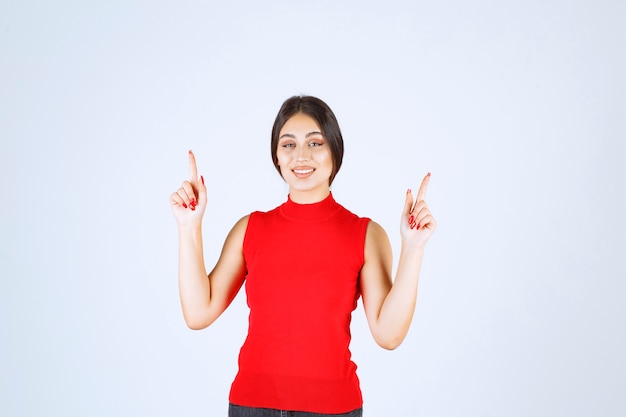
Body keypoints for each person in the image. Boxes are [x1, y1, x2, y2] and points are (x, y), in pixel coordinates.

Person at [169, 95, 436, 417]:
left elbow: (389, 334)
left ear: (335, 151)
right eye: (288, 145)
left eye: (315, 143)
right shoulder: (250, 228)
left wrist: (414, 246)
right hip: (251, 407)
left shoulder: (366, 234)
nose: (301, 156)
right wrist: (189, 226)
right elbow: (198, 313)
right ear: (276, 157)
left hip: (332, 409)